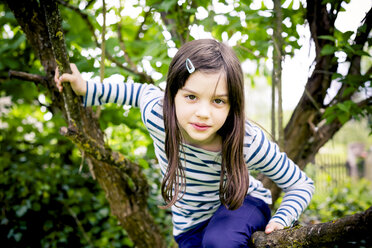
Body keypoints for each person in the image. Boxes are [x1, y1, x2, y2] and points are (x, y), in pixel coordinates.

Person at [55, 39, 314, 247]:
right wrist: (85, 88)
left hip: (240, 205)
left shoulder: (245, 141)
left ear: (233, 105)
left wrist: (282, 219)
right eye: (191, 96)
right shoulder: (158, 116)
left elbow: (300, 184)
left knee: (220, 242)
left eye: (218, 101)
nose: (203, 112)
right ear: (172, 95)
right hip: (188, 226)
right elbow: (136, 92)